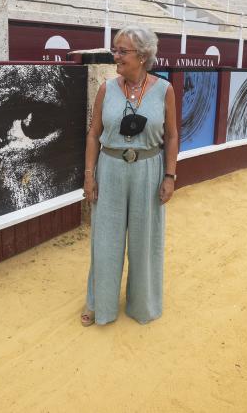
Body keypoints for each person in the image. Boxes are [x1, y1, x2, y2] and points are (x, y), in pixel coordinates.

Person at [81, 25, 178, 326]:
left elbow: (172, 136)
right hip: (109, 169)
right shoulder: (106, 89)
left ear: (144, 55)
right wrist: (89, 175)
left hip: (149, 171)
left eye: (122, 51)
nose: (116, 56)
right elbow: (93, 135)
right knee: (105, 241)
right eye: (115, 50)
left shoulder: (164, 90)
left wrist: (170, 176)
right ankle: (99, 304)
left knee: (145, 241)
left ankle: (143, 304)